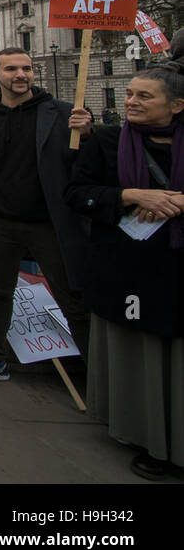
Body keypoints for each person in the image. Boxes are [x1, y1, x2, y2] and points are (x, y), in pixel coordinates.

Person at [64, 67, 184, 481]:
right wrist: (129, 195)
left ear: (176, 105)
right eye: (129, 94)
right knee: (141, 355)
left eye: (144, 96)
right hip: (128, 267)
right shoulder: (108, 142)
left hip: (175, 268)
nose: (132, 101)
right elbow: (78, 193)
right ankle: (146, 436)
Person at [0, 46, 92, 384]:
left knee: (71, 295)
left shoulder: (62, 113)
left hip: (48, 221)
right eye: (12, 69)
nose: (21, 75)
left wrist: (88, 135)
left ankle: (97, 372)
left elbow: (87, 165)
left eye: (27, 69)